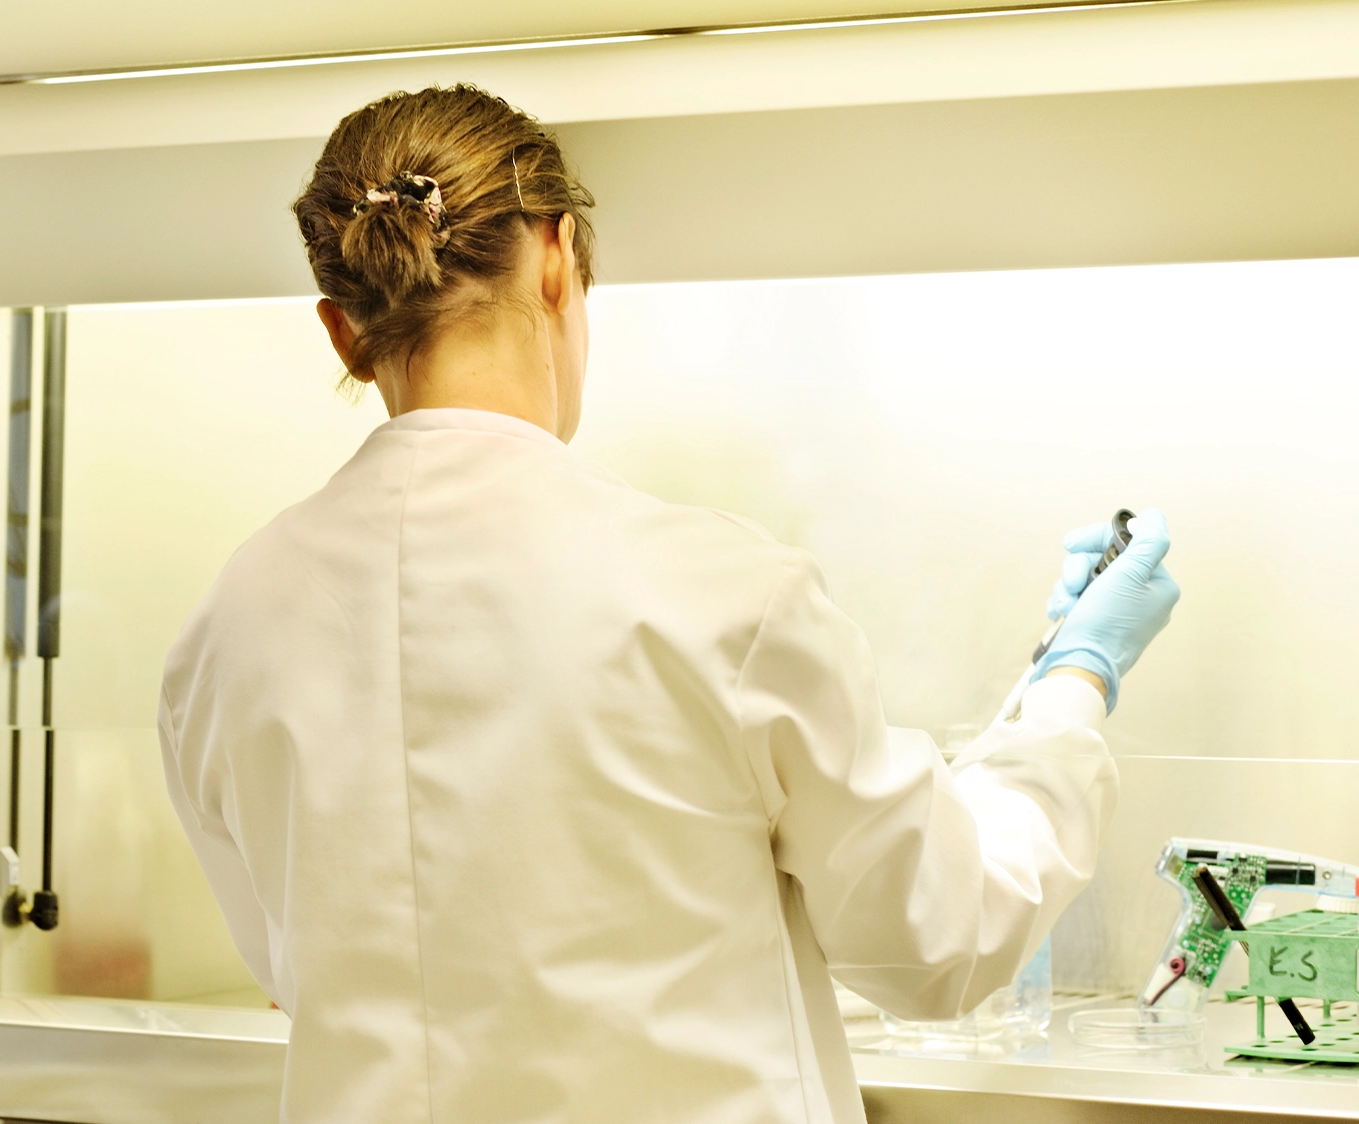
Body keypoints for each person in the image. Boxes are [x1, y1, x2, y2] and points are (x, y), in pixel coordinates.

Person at [158, 85, 1179, 1123]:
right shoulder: (716, 594)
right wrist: (1068, 688)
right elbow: (941, 940)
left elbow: (291, 964)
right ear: (555, 260)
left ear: (340, 330)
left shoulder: (224, 630)